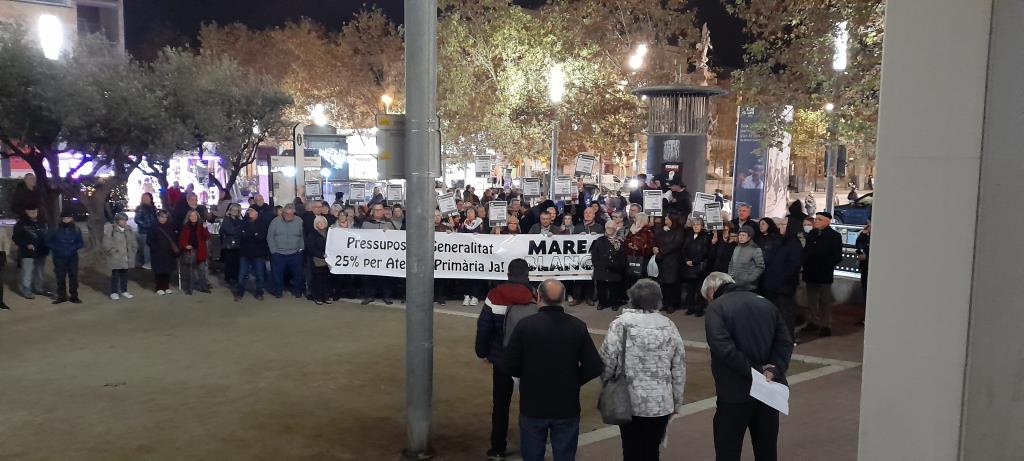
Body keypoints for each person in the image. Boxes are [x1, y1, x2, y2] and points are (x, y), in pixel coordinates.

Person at [501, 279, 603, 461]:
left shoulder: (525, 326)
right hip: (566, 405)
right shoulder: (578, 327)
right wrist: (574, 380)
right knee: (565, 456)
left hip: (533, 405)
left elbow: (509, 365)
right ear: (563, 299)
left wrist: (527, 376)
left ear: (539, 297)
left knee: (532, 455)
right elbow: (594, 367)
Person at [702, 272, 793, 461]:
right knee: (766, 450)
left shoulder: (716, 309)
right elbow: (784, 341)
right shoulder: (767, 304)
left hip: (734, 392)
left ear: (711, 291)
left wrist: (756, 372)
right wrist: (772, 369)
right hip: (769, 392)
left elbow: (724, 349)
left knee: (728, 450)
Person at [600, 279, 686, 461]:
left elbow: (607, 360)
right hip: (661, 403)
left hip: (628, 400)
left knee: (630, 449)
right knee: (652, 451)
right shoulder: (669, 325)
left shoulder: (620, 324)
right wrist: (677, 401)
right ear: (658, 300)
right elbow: (679, 367)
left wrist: (606, 382)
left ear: (632, 298)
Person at [475, 259, 536, 460]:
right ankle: (532, 446)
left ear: (508, 273)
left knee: (500, 405)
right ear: (526, 274)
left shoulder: (495, 295)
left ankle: (498, 448)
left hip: (501, 359)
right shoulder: (535, 295)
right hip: (527, 360)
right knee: (530, 404)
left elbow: (484, 327)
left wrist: (483, 352)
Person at [802, 212, 844, 337]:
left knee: (825, 300)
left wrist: (825, 264)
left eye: (819, 219)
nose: (816, 221)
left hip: (824, 273)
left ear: (827, 222)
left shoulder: (834, 236)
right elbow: (806, 251)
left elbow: (837, 256)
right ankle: (813, 321)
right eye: (816, 219)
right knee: (811, 299)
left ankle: (826, 325)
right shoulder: (812, 234)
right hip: (810, 272)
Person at [761, 218, 804, 340]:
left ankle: (787, 338)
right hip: (773, 284)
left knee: (786, 313)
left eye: (784, 224)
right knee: (774, 312)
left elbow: (794, 266)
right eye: (779, 224)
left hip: (784, 286)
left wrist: (782, 279)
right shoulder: (780, 241)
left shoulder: (794, 244)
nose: (781, 227)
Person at [359, 203, 396, 304]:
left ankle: (387, 296)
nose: (378, 212)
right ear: (372, 211)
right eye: (375, 210)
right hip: (370, 255)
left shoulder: (389, 223)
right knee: (369, 277)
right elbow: (361, 237)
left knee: (386, 277)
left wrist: (390, 232)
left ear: (383, 211)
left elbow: (397, 238)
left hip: (384, 255)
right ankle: (369, 296)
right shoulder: (366, 223)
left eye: (380, 210)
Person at [46, 210, 84, 304]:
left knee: (73, 277)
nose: (66, 220)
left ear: (72, 219)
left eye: (68, 218)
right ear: (61, 219)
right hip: (59, 257)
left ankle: (74, 296)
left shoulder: (76, 229)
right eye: (64, 218)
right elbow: (47, 241)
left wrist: (73, 247)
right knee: (60, 277)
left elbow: (80, 242)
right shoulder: (55, 229)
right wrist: (57, 248)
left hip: (72, 257)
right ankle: (62, 296)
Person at [268, 203, 305, 299]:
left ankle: (297, 291)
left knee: (298, 274)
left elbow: (302, 236)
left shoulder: (299, 221)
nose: (288, 215)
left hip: (295, 253)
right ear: (283, 213)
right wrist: (273, 251)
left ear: (294, 213)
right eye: (286, 213)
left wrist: (301, 248)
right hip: (279, 253)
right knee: (277, 274)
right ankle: (278, 291)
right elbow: (270, 237)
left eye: (291, 213)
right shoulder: (275, 221)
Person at [12, 206, 51, 299]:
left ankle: (38, 288)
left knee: (39, 271)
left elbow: (47, 235)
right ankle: (27, 290)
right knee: (27, 272)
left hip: (41, 251)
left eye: (34, 211)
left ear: (37, 211)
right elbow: (16, 237)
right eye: (30, 211)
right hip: (27, 252)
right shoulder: (21, 223)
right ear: (26, 211)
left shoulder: (42, 222)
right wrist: (26, 244)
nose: (33, 213)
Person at [653, 212, 685, 313]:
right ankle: (665, 303)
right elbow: (657, 240)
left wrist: (661, 250)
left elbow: (676, 244)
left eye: (667, 219)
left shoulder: (680, 231)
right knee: (663, 283)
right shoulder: (664, 229)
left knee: (672, 283)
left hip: (673, 261)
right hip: (662, 260)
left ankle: (672, 304)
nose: (665, 221)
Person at [591, 220, 627, 310]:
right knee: (601, 288)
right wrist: (598, 265)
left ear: (615, 228)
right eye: (608, 227)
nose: (609, 229)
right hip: (601, 269)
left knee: (614, 288)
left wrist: (619, 266)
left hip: (615, 269)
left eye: (611, 228)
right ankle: (602, 303)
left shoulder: (620, 241)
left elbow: (623, 256)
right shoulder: (600, 240)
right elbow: (594, 255)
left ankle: (615, 303)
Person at [236, 208, 270, 301]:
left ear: (257, 213)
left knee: (260, 275)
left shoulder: (262, 223)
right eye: (249, 211)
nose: (249, 212)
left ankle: (259, 293)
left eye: (252, 211)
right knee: (242, 275)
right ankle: (239, 292)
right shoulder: (243, 222)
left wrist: (248, 235)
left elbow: (261, 237)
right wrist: (253, 234)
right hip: (245, 253)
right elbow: (240, 235)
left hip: (258, 253)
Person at [104, 213, 138, 300]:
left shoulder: (129, 229)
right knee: (115, 275)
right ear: (117, 220)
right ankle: (114, 292)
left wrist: (133, 250)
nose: (124, 222)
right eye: (122, 220)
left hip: (127, 256)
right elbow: (106, 243)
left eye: (125, 220)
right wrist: (112, 251)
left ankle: (124, 291)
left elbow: (133, 241)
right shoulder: (111, 229)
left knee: (125, 274)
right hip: (116, 256)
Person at [682, 217, 712, 316]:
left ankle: (699, 309)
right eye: (694, 224)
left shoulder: (706, 236)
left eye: (698, 224)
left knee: (700, 289)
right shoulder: (689, 235)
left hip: (699, 266)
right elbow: (684, 249)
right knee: (690, 289)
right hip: (688, 266)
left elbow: (704, 251)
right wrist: (686, 260)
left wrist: (694, 261)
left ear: (702, 226)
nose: (696, 226)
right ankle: (690, 308)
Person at [179, 210, 212, 295]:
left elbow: (207, 237)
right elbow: (182, 239)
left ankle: (203, 287)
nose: (193, 217)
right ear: (188, 217)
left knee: (202, 271)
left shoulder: (201, 225)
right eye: (191, 216)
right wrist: (185, 245)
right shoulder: (185, 226)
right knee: (190, 271)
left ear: (198, 217)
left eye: (195, 215)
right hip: (190, 251)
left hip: (200, 250)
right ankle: (189, 289)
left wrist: (205, 229)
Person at [459, 207, 487, 306]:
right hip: (466, 254)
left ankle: (475, 296)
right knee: (466, 275)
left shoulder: (481, 223)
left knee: (476, 275)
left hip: (477, 254)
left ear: (475, 213)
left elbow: (486, 236)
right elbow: (458, 236)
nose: (469, 213)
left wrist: (479, 235)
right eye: (468, 212)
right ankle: (466, 296)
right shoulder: (463, 224)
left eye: (471, 212)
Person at [147, 210, 178, 296]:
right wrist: (156, 249)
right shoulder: (153, 227)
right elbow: (149, 240)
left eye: (165, 217)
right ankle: (159, 287)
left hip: (168, 253)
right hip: (157, 253)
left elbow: (174, 239)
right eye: (162, 217)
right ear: (158, 217)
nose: (163, 219)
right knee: (159, 271)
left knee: (167, 270)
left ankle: (166, 286)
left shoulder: (170, 226)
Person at [728, 226, 765, 291]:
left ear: (749, 237)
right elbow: (731, 263)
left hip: (748, 287)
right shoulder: (737, 248)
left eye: (743, 235)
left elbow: (760, 267)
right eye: (739, 235)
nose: (741, 237)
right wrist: (730, 275)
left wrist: (749, 279)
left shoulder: (755, 249)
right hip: (734, 284)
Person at [623, 212, 654, 288]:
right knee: (630, 280)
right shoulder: (632, 230)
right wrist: (628, 244)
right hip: (630, 258)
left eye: (635, 219)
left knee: (639, 282)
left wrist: (640, 249)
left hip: (641, 260)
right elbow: (626, 241)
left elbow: (650, 247)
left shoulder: (648, 232)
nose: (634, 220)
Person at [305, 216, 331, 305]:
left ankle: (326, 296)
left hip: (328, 260)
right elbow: (310, 248)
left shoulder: (329, 233)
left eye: (323, 222)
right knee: (317, 280)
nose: (321, 224)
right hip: (317, 260)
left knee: (326, 279)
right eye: (319, 222)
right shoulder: (312, 234)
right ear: (316, 224)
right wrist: (321, 254)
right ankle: (317, 297)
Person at [220, 203, 243, 286]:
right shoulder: (226, 220)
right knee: (229, 263)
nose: (235, 212)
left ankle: (235, 278)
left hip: (238, 245)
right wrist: (239, 228)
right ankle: (229, 279)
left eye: (237, 210)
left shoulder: (239, 220)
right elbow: (230, 231)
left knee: (237, 263)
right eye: (233, 210)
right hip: (229, 246)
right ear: (229, 211)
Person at [134, 192, 158, 269]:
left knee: (150, 247)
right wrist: (147, 226)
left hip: (152, 231)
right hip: (144, 232)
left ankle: (150, 261)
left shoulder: (153, 208)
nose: (145, 199)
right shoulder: (140, 208)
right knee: (146, 247)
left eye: (147, 198)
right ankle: (147, 263)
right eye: (144, 198)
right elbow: (137, 219)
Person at [855, 219, 871, 308]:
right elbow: (858, 244)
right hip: (864, 268)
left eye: (868, 223)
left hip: (871, 269)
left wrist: (867, 257)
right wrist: (863, 233)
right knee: (865, 291)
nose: (867, 226)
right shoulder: (866, 235)